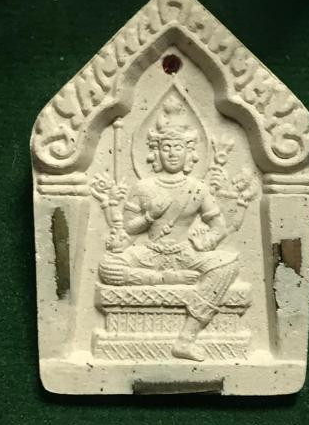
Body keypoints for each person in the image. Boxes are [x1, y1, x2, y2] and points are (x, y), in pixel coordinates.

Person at [94, 97, 239, 362]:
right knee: (107, 266)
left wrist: (207, 241)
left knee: (229, 264)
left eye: (178, 147)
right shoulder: (144, 187)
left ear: (189, 152)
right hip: (149, 252)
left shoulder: (197, 189)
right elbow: (129, 228)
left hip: (185, 253)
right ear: (156, 152)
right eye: (166, 147)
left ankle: (186, 338)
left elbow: (219, 227)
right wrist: (150, 215)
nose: (172, 153)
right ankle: (167, 279)